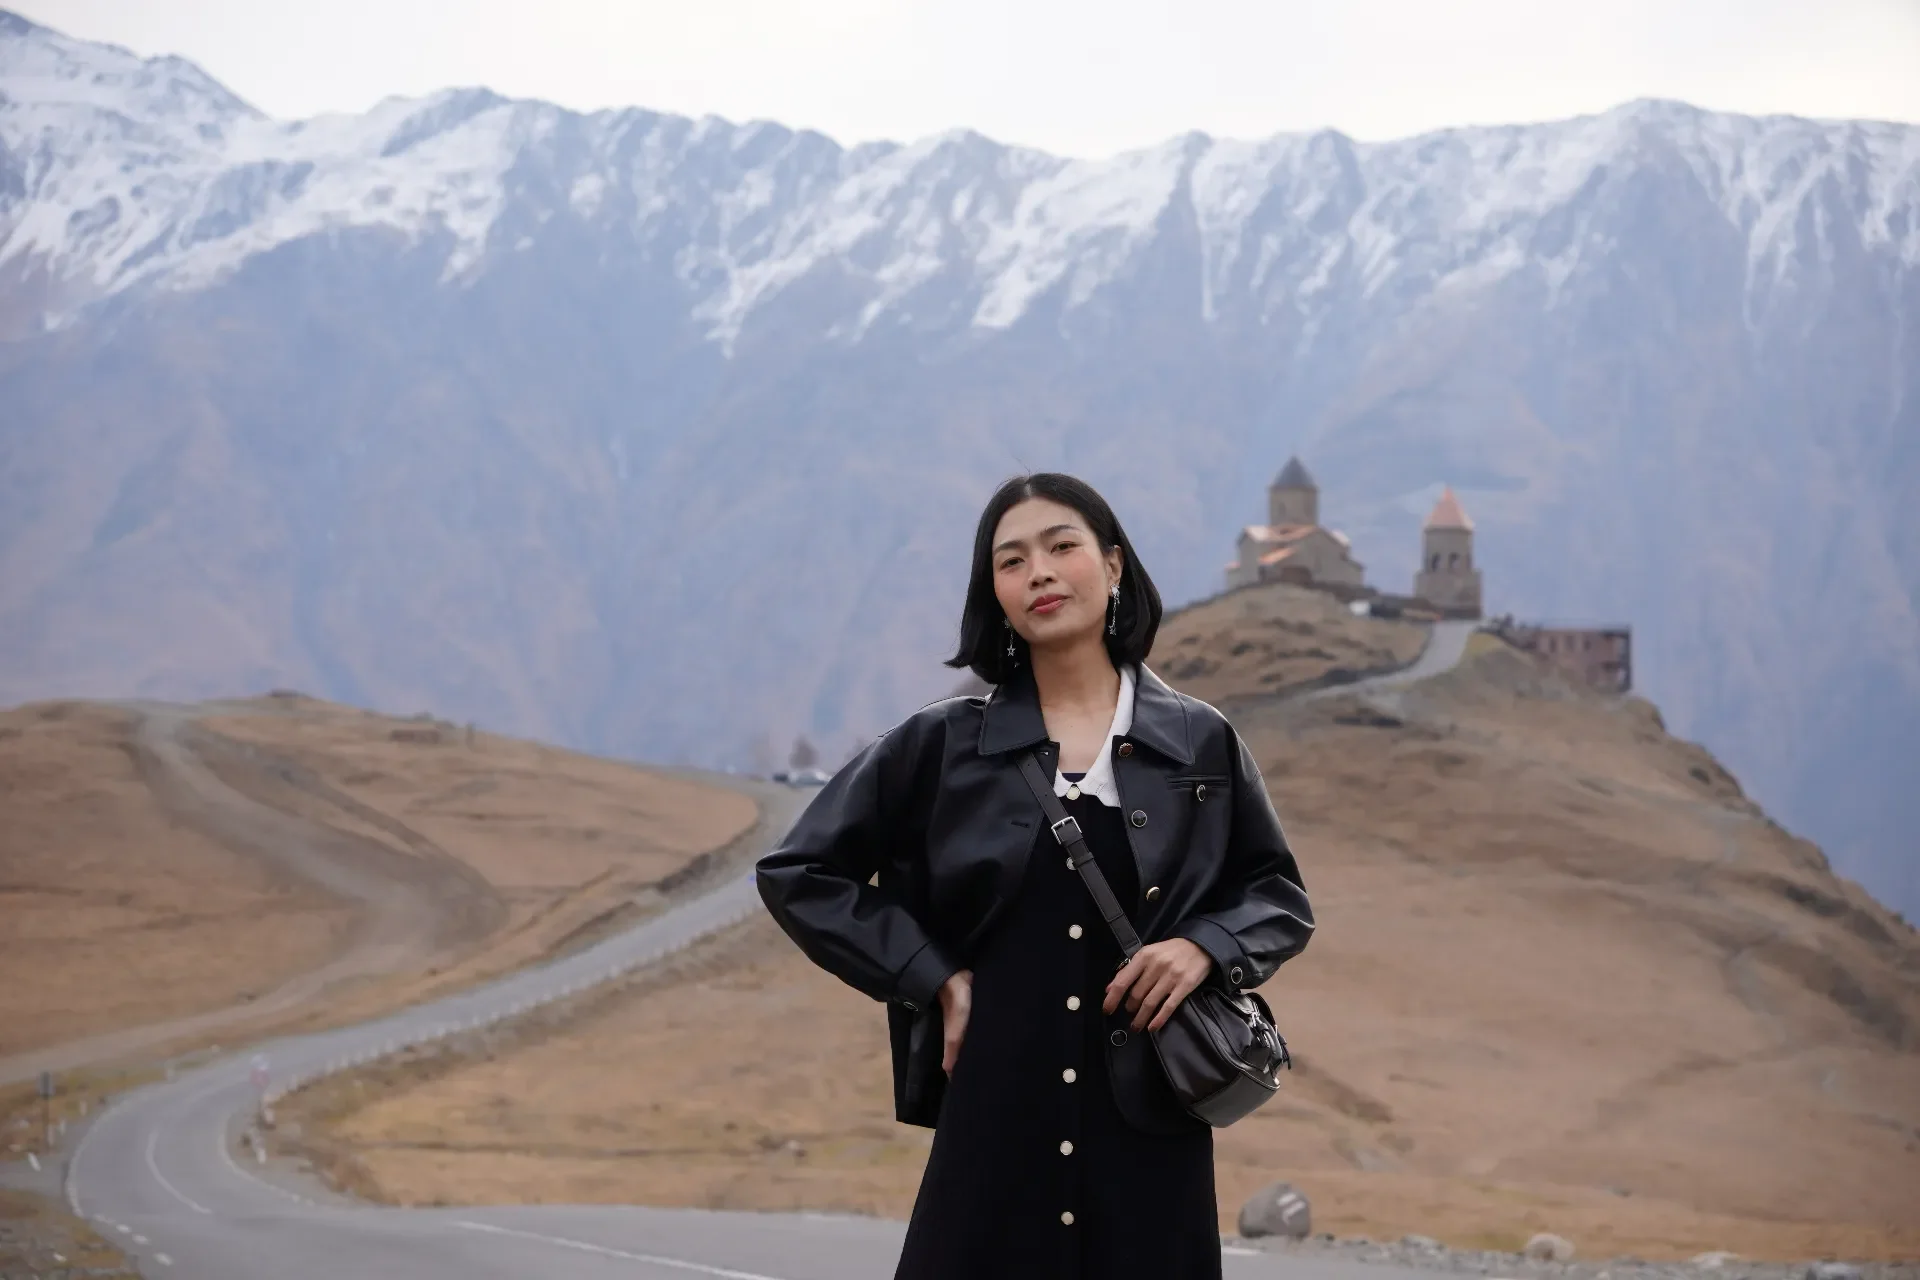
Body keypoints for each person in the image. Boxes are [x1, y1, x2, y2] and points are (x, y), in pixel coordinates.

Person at [756, 473, 1315, 1279]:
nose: (1040, 573)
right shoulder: (939, 746)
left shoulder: (1200, 742)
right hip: (991, 1111)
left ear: (1114, 565)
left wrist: (1203, 946)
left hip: (1151, 1128)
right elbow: (798, 870)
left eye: (1062, 547)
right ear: (996, 594)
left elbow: (1277, 893)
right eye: (1012, 561)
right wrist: (933, 977)